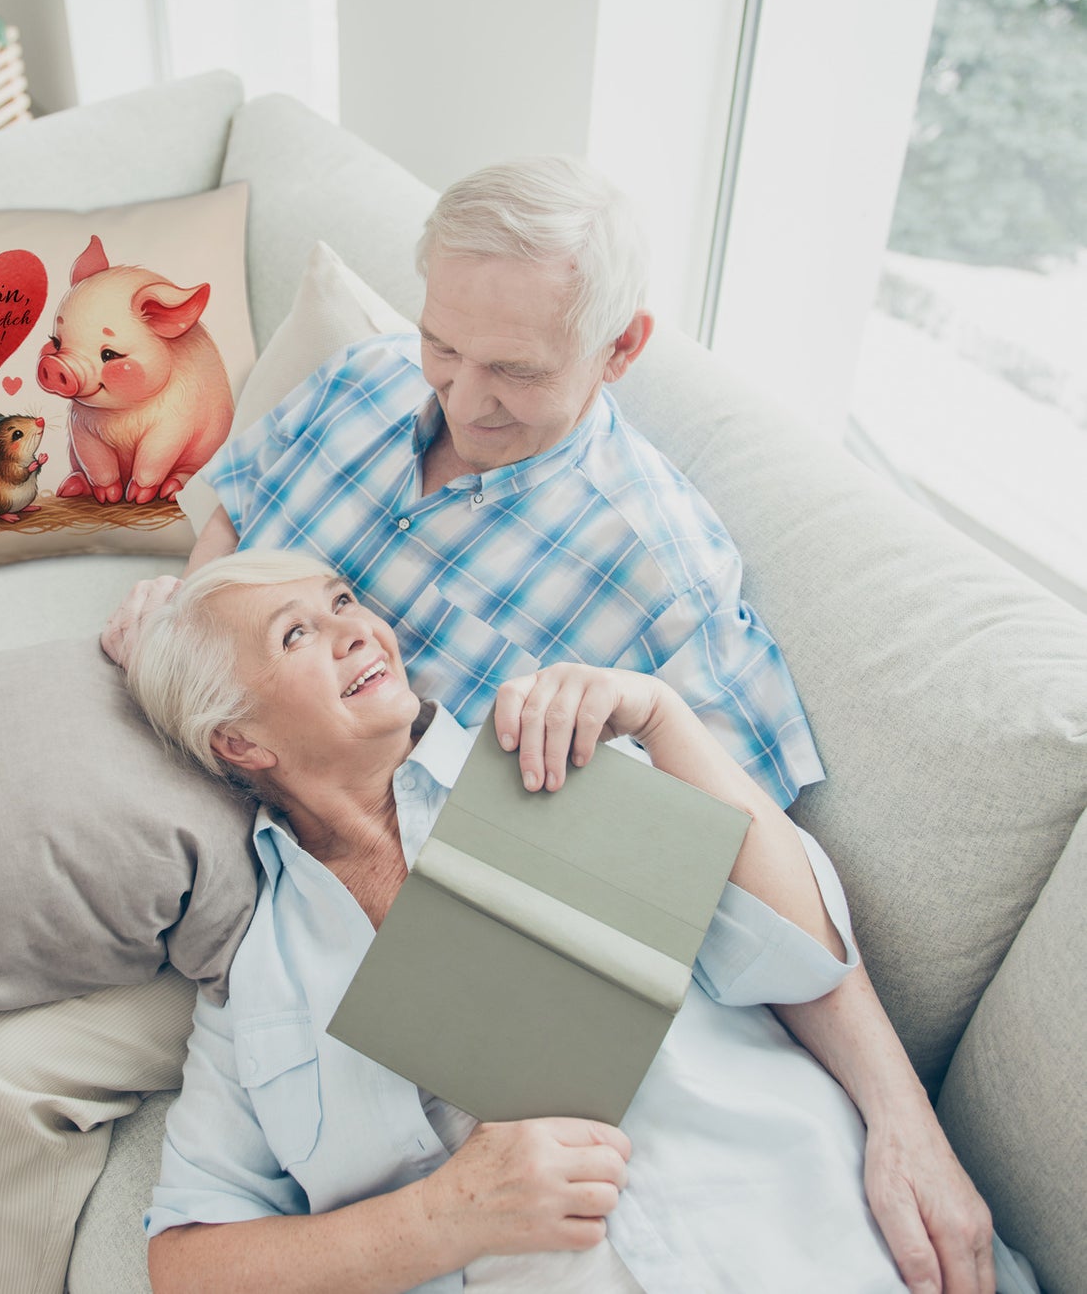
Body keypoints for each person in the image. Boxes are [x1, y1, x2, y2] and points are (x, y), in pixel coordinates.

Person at [0, 158, 991, 1294]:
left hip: (334, 860)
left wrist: (901, 1115)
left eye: (513, 369)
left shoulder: (659, 574)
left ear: (618, 350)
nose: (461, 394)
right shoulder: (368, 381)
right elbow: (233, 515)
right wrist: (188, 610)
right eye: (446, 344)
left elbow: (744, 868)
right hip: (222, 735)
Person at [129, 549, 1023, 1294]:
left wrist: (663, 718)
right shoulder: (256, 981)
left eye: (342, 601)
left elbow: (800, 954)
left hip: (816, 1240)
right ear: (239, 742)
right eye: (297, 633)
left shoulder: (551, 755)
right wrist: (443, 1217)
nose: (356, 627)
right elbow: (186, 1262)